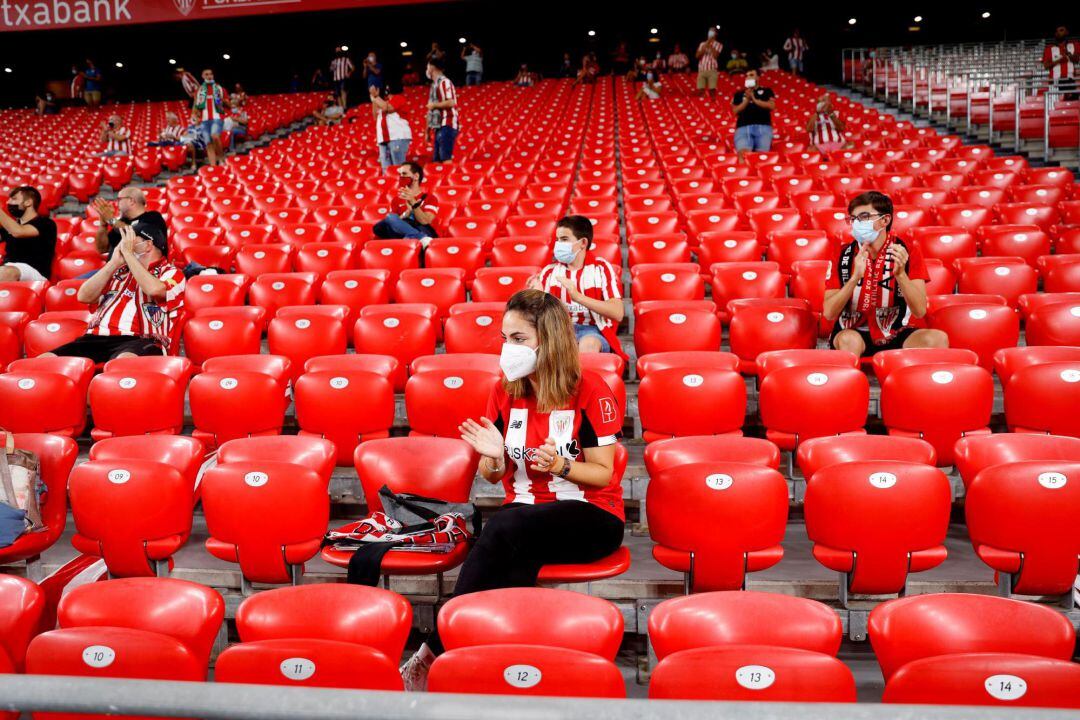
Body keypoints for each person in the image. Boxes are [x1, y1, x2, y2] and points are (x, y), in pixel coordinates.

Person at [399, 288, 625, 691]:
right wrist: (494, 459)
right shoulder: (503, 390)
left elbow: (604, 475)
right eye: (504, 339)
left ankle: (437, 651)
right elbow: (491, 475)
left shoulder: (591, 389)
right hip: (522, 520)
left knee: (503, 530)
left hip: (591, 515)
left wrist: (560, 465)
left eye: (518, 339)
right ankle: (498, 664)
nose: (508, 349)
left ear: (549, 340)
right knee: (510, 543)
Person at [823, 191, 947, 358]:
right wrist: (854, 279)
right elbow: (829, 313)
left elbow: (919, 311)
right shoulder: (842, 253)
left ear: (885, 220)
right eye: (853, 219)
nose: (856, 224)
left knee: (937, 338)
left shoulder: (907, 251)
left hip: (895, 331)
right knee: (849, 340)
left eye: (864, 217)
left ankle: (914, 384)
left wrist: (901, 275)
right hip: (852, 331)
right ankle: (851, 383)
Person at [39, 224, 184, 363]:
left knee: (122, 363)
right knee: (45, 360)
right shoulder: (118, 271)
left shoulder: (171, 272)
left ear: (148, 245)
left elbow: (154, 289)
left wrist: (129, 255)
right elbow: (83, 296)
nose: (123, 244)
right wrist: (113, 263)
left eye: (130, 240)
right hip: (95, 338)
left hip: (141, 339)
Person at [527, 215, 626, 360]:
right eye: (558, 239)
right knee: (552, 346)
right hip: (559, 330)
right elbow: (538, 316)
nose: (559, 244)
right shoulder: (549, 271)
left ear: (583, 243)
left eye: (564, 239)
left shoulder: (601, 268)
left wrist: (578, 297)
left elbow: (617, 312)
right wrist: (536, 295)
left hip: (593, 330)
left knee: (589, 345)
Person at [372, 161, 439, 245]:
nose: (401, 177)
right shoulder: (396, 199)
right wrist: (405, 214)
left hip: (422, 230)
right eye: (400, 174)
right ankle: (420, 238)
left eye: (404, 174)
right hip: (402, 235)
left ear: (416, 176)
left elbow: (425, 221)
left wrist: (413, 202)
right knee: (384, 222)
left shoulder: (430, 198)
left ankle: (417, 238)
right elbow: (392, 223)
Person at [0, 186, 57, 284]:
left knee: (7, 272)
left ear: (28, 202)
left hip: (35, 273)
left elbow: (18, 232)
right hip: (7, 268)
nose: (8, 202)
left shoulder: (46, 223)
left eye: (14, 199)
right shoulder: (12, 226)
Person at [91, 186, 168, 258]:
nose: (116, 204)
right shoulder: (122, 222)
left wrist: (111, 220)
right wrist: (103, 224)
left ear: (131, 201)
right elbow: (102, 249)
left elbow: (136, 232)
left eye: (119, 199)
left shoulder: (153, 217)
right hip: (114, 270)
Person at [732, 68, 775, 162]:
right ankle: (744, 176)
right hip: (743, 127)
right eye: (747, 75)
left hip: (763, 127)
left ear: (758, 77)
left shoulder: (767, 91)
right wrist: (747, 99)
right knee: (743, 154)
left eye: (751, 75)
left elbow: (771, 106)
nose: (748, 77)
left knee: (762, 157)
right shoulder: (739, 94)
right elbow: (735, 111)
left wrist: (754, 99)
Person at [192, 68, 227, 166]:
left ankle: (221, 159)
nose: (209, 76)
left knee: (215, 136)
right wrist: (195, 115)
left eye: (211, 74)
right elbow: (196, 105)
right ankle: (213, 166)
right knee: (208, 143)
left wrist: (222, 100)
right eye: (206, 74)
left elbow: (227, 102)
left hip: (217, 117)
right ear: (203, 76)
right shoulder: (199, 91)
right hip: (204, 120)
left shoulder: (219, 88)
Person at [371, 85, 412, 170]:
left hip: (397, 137)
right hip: (383, 139)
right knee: (386, 170)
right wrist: (375, 99)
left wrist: (376, 97)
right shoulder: (382, 103)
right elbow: (375, 116)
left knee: (399, 168)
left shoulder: (399, 98)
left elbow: (387, 108)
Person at [426, 58, 459, 162]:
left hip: (447, 123)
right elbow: (430, 111)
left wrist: (434, 105)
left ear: (432, 67)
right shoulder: (433, 86)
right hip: (438, 126)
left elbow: (451, 102)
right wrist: (427, 131)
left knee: (445, 159)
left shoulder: (445, 82)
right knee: (437, 160)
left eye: (427, 66)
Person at [1043, 26, 1079, 101]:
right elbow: (1046, 66)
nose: (1059, 33)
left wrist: (1069, 55)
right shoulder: (1049, 48)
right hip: (1055, 81)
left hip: (1070, 80)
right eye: (1057, 31)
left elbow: (1077, 60)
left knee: (1072, 106)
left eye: (1061, 30)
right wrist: (1059, 60)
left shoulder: (1074, 45)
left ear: (1067, 32)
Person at [696, 28, 723, 97]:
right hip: (702, 69)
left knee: (712, 90)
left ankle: (713, 105)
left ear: (716, 34)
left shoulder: (719, 44)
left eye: (712, 31)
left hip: (712, 70)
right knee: (700, 91)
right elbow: (697, 56)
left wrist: (710, 45)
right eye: (710, 30)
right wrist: (706, 45)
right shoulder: (702, 44)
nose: (710, 32)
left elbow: (715, 56)